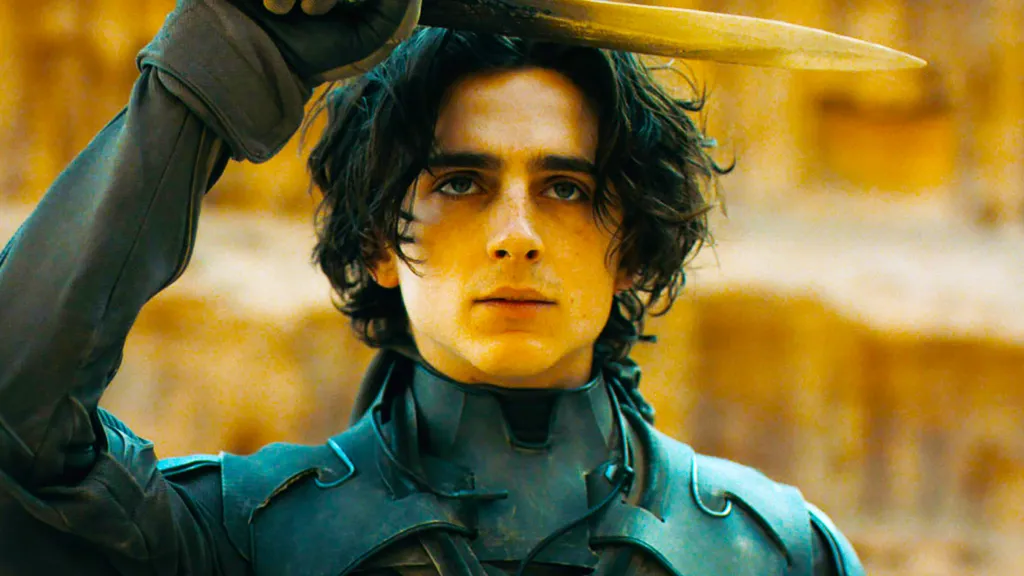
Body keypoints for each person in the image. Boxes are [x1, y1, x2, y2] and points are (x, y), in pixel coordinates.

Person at [0, 0, 864, 574]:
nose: (516, 234)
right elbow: (17, 428)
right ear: (379, 241)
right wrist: (223, 60)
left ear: (632, 247)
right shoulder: (240, 538)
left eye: (566, 188)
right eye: (461, 182)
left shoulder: (776, 555)